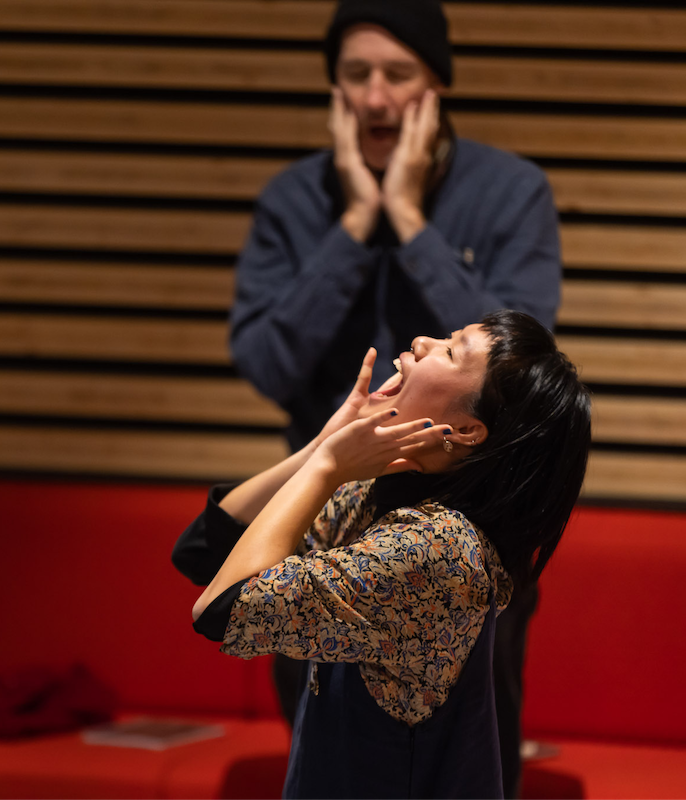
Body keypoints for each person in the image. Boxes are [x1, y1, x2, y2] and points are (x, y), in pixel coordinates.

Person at [229, 2, 561, 796]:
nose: (377, 99)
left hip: (466, 522)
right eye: (355, 75)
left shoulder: (511, 191)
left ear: (437, 84)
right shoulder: (293, 199)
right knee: (324, 728)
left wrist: (411, 223)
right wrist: (353, 228)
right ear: (334, 88)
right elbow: (267, 363)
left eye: (399, 74)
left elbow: (522, 365)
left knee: (473, 738)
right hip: (321, 504)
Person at [174, 310, 592, 800]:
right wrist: (320, 450)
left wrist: (328, 465)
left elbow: (222, 607)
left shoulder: (438, 549)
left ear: (466, 430)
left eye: (451, 351)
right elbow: (205, 550)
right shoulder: (383, 494)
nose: (420, 342)